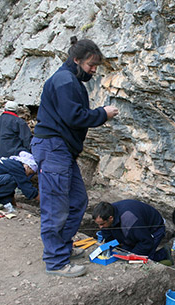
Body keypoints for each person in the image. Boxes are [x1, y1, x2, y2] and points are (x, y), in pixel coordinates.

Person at [31, 37, 119, 277]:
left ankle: (62, 247)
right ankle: (56, 262)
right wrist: (103, 113)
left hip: (61, 151)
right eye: (91, 64)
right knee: (56, 206)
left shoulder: (71, 81)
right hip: (53, 148)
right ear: (76, 59)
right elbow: (74, 116)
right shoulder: (65, 81)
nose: (93, 70)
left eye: (96, 66)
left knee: (77, 201)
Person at [92, 200, 172, 263]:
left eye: (102, 224)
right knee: (125, 251)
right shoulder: (108, 212)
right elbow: (108, 235)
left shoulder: (130, 220)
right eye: (99, 224)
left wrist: (133, 255)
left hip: (154, 230)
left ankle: (164, 253)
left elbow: (146, 242)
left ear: (110, 218)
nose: (100, 227)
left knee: (141, 259)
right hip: (136, 230)